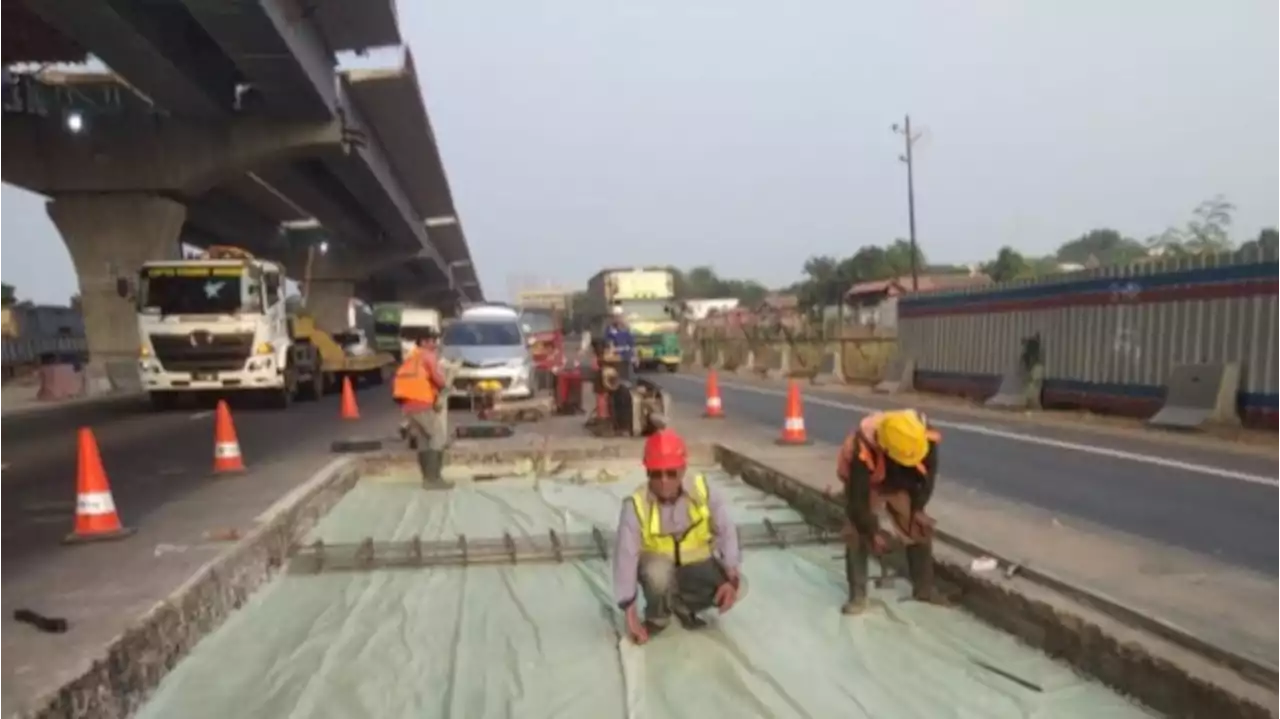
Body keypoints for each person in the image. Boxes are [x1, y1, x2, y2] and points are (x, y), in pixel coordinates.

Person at [613, 428, 743, 644]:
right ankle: (659, 617)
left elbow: (726, 531)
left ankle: (683, 606)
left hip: (695, 567)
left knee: (740, 587)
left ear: (682, 470)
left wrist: (732, 578)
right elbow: (625, 557)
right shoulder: (636, 505)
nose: (664, 480)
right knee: (657, 572)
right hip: (660, 570)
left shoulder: (702, 490)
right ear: (647, 473)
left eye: (671, 473)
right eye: (656, 473)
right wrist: (629, 611)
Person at [836, 408, 947, 614]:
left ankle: (924, 589)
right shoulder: (862, 449)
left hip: (900, 482)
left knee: (918, 528)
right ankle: (858, 595)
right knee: (856, 532)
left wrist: (918, 507)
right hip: (870, 482)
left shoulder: (921, 435)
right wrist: (872, 531)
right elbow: (857, 501)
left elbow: (928, 477)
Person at [392, 328, 448, 487]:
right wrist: (445, 386)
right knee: (437, 437)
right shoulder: (427, 356)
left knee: (423, 440)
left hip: (408, 405)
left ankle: (427, 479)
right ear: (423, 342)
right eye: (432, 341)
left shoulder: (412, 356)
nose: (435, 344)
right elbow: (439, 380)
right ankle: (435, 478)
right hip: (421, 403)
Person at [603, 305, 635, 384]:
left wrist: (634, 355)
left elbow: (632, 343)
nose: (617, 318)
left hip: (627, 358)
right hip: (615, 360)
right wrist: (611, 350)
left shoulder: (627, 328)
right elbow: (609, 343)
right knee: (617, 380)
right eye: (615, 317)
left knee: (628, 380)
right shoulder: (609, 329)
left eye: (619, 316)